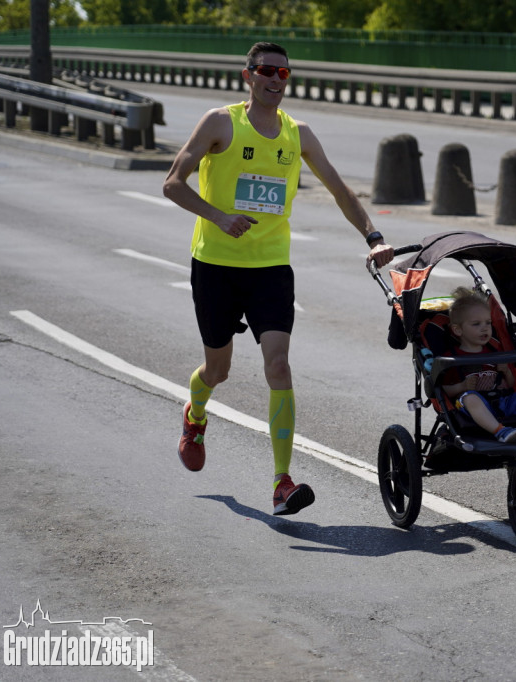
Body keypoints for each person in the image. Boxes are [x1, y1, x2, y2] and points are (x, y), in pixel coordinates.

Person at [162, 41, 394, 515]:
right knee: (218, 370)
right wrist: (218, 216)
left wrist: (373, 236)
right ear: (247, 75)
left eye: (284, 73)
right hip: (216, 266)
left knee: (279, 365)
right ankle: (196, 414)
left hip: (270, 268)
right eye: (267, 70)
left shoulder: (298, 134)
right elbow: (172, 183)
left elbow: (340, 189)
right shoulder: (220, 122)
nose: (275, 79)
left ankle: (281, 482)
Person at [441, 287, 516, 444]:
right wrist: (462, 386)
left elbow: (511, 385)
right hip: (476, 409)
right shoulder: (451, 357)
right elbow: (445, 390)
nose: (484, 328)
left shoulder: (495, 349)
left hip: (503, 402)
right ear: (458, 329)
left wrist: (506, 373)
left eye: (488, 323)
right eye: (476, 324)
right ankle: (501, 431)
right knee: (470, 398)